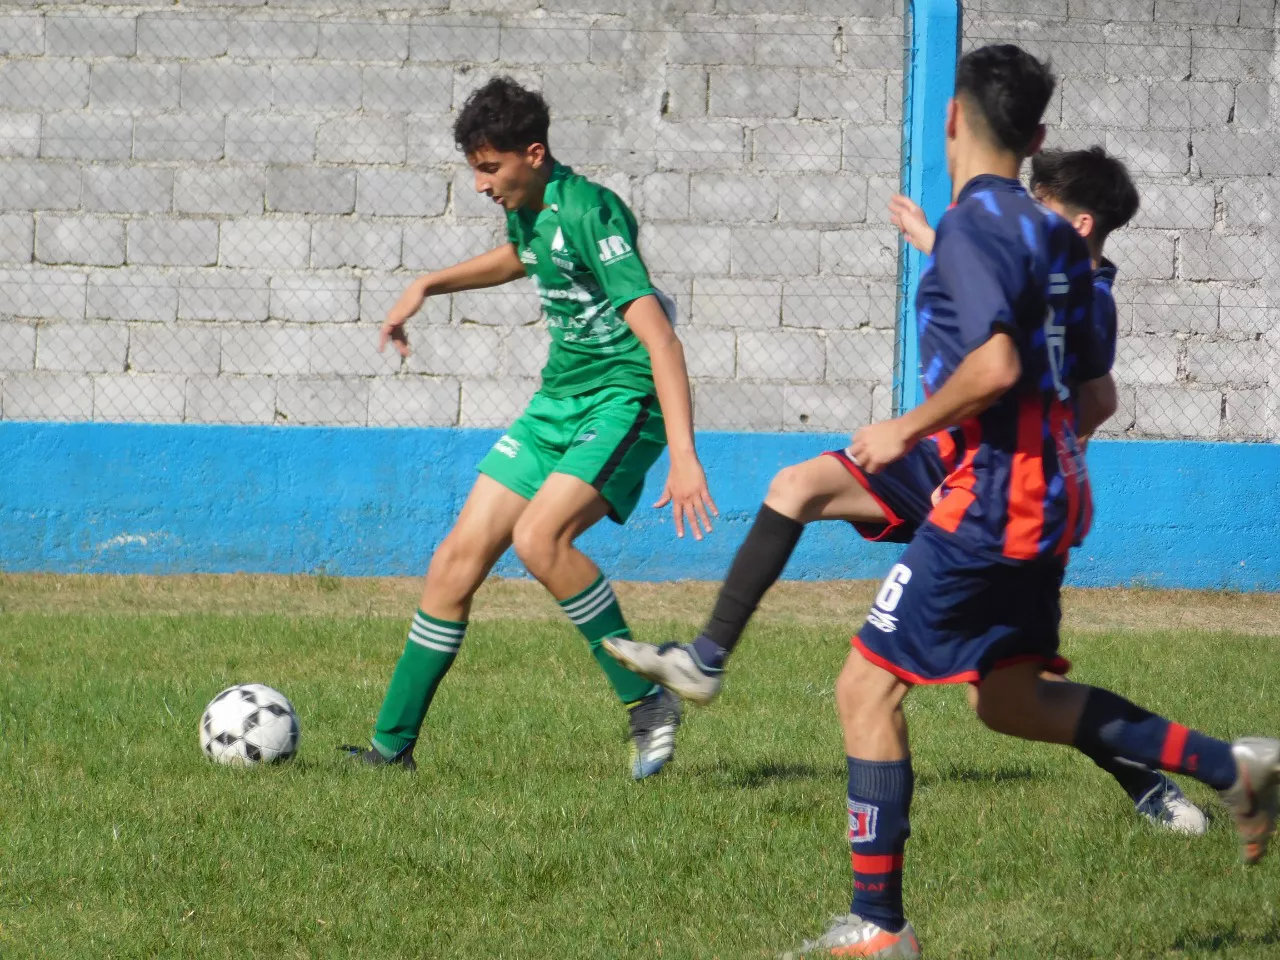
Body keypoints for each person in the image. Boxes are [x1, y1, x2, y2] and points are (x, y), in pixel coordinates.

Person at [772, 45, 1278, 957]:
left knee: (865, 687)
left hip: (987, 502)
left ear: (951, 120)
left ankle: (877, 928)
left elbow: (996, 364)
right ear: (1036, 134)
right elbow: (1091, 394)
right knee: (1007, 701)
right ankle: (1227, 766)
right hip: (1047, 502)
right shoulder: (1054, 242)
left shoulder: (981, 222)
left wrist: (906, 429)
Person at [607, 144, 1207, 833]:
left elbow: (1093, 398)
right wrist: (934, 242)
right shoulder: (1044, 268)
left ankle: (1149, 780)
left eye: (1039, 204)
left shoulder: (1088, 297)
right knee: (795, 485)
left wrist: (1036, 448)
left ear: (1077, 224)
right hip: (939, 463)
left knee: (1012, 688)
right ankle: (705, 659)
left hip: (992, 489)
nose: (1024, 213)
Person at [343, 76, 717, 780]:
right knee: (456, 559)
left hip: (622, 398)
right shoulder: (529, 207)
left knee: (538, 538)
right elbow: (526, 257)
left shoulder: (592, 212)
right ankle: (390, 752)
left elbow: (661, 340)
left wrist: (686, 456)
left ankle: (648, 705)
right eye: (475, 170)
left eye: (490, 169)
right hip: (558, 402)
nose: (482, 186)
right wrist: (427, 284)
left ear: (534, 154)